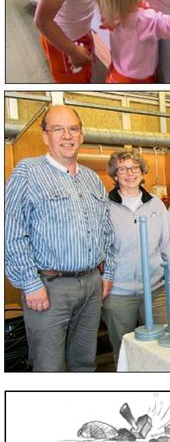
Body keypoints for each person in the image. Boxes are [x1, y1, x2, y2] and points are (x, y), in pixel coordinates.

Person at [4, 106, 115, 372]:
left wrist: (108, 272)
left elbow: (106, 229)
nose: (67, 135)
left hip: (91, 285)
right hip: (49, 287)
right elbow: (10, 230)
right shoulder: (28, 172)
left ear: (82, 134)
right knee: (49, 368)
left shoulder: (91, 179)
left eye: (73, 129)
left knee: (85, 364)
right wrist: (30, 284)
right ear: (45, 136)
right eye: (58, 129)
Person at [102, 149, 170, 364]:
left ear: (142, 171)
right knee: (124, 350)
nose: (129, 173)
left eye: (134, 168)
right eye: (122, 169)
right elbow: (100, 248)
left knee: (163, 346)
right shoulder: (104, 206)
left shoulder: (155, 204)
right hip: (119, 293)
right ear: (115, 175)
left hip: (156, 290)